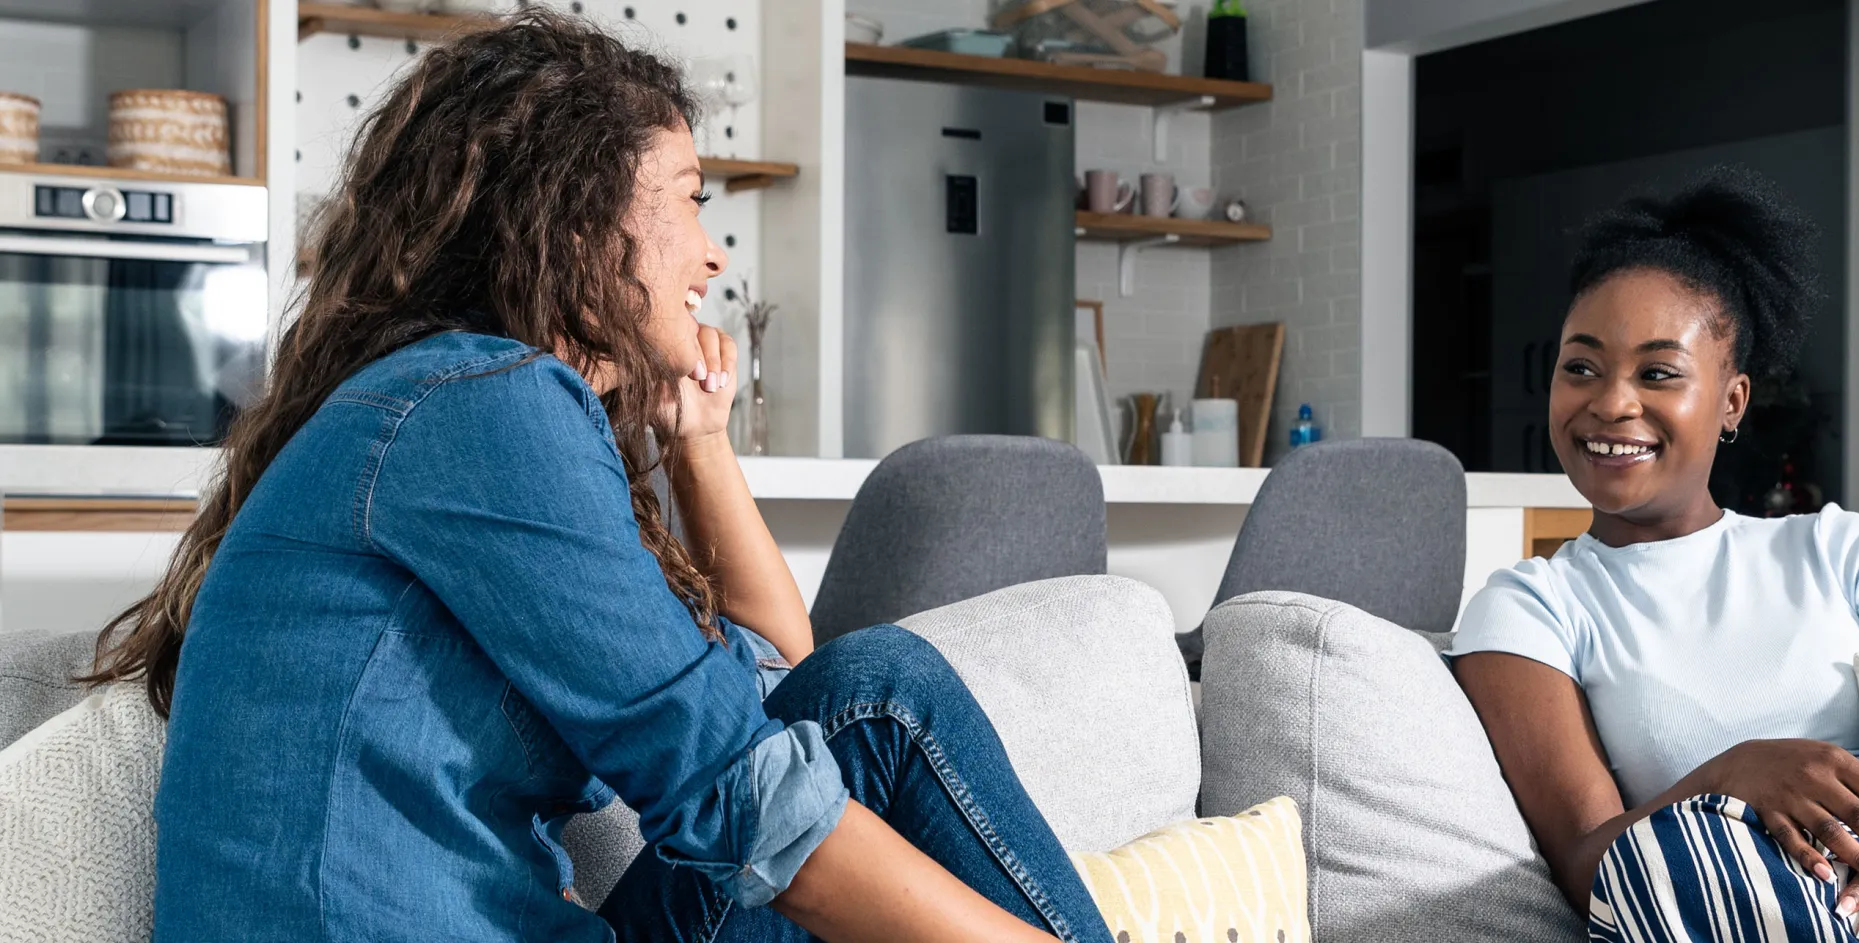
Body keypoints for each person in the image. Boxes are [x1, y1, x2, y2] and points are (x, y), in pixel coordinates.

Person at [79, 13, 1112, 943]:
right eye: (689, 201)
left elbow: (783, 686)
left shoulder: (448, 406)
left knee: (862, 693)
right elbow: (740, 792)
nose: (711, 258)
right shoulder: (483, 402)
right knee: (885, 696)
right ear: (574, 219)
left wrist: (698, 440)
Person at [1448, 172, 1859, 943]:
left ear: (1731, 402)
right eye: (1580, 366)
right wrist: (1731, 777)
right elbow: (1591, 867)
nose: (1611, 402)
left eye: (1658, 372)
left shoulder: (1836, 547)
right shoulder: (1528, 606)